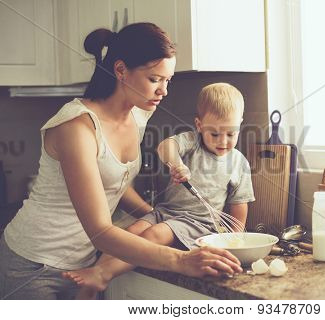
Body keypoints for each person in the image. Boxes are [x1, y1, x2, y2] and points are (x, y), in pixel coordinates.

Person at [0, 23, 243, 300]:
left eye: (168, 80)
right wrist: (181, 260)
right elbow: (101, 231)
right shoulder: (76, 128)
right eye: (154, 79)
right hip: (33, 265)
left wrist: (157, 217)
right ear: (120, 71)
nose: (163, 91)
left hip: (87, 262)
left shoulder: (139, 113)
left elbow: (115, 181)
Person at [63, 82, 255, 299]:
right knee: (130, 233)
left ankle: (103, 274)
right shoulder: (192, 141)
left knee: (154, 234)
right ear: (199, 125)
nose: (223, 141)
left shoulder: (239, 163)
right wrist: (176, 164)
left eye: (231, 134)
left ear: (240, 125)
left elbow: (240, 206)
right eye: (215, 134)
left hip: (197, 223)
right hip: (165, 211)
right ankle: (89, 289)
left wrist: (234, 241)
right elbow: (166, 147)